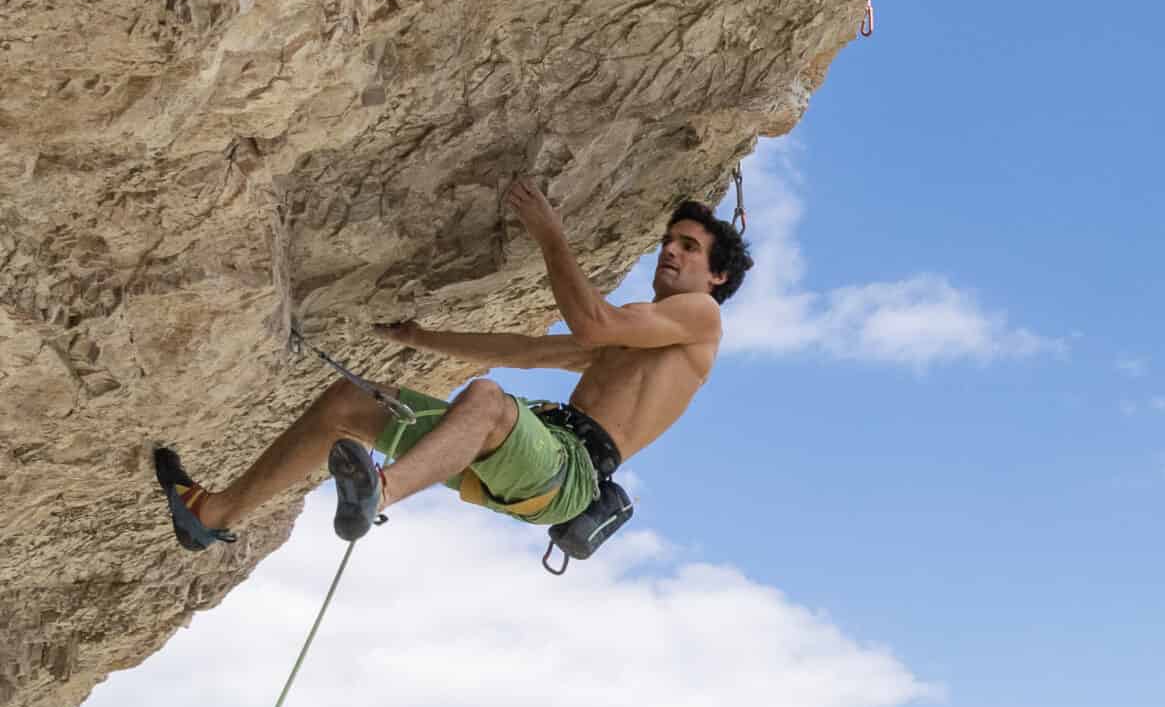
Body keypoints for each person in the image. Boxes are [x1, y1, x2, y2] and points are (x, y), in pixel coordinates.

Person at [155, 179, 750, 549]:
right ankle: (209, 514)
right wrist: (421, 337)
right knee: (346, 404)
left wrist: (550, 234)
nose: (670, 250)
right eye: (669, 240)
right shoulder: (642, 337)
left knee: (489, 401)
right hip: (527, 460)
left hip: (568, 473)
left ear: (716, 276)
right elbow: (524, 351)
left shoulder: (702, 318)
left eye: (689, 247)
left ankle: (377, 495)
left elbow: (590, 322)